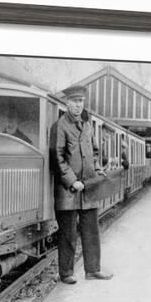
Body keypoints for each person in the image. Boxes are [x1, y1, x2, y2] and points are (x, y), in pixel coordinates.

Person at [50, 85, 113, 284]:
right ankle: (66, 273)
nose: (78, 105)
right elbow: (56, 157)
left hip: (88, 188)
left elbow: (94, 152)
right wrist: (72, 181)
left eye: (81, 102)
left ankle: (93, 270)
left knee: (91, 230)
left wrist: (97, 168)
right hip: (68, 190)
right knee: (68, 233)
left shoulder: (87, 125)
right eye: (75, 101)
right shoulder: (59, 126)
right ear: (67, 102)